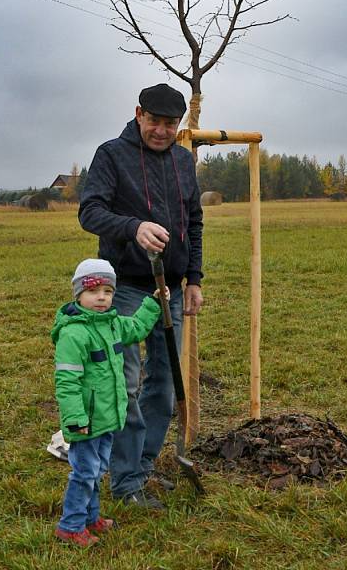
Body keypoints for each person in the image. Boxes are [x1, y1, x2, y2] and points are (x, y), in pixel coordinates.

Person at [78, 83, 203, 509]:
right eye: (155, 121)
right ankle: (126, 482)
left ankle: (143, 468)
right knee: (126, 384)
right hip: (128, 289)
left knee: (164, 386)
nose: (163, 131)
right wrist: (133, 227)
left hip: (170, 289)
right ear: (138, 114)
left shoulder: (184, 162)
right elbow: (90, 211)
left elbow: (194, 222)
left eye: (171, 124)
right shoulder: (111, 155)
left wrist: (195, 279)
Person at [52, 258, 161, 546]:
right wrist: (75, 419)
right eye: (94, 291)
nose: (102, 297)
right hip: (86, 420)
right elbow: (67, 383)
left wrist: (153, 303)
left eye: (108, 292)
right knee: (85, 473)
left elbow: (137, 328)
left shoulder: (112, 324)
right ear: (78, 294)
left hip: (106, 418)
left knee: (98, 470)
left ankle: (92, 518)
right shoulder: (74, 334)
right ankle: (70, 526)